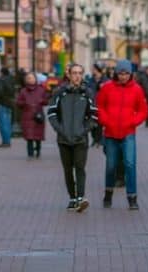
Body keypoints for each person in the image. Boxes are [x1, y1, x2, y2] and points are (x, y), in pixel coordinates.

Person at [97, 59, 148, 210]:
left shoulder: (137, 89)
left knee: (130, 164)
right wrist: (106, 121)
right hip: (111, 133)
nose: (123, 76)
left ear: (131, 74)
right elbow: (100, 106)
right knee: (111, 166)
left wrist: (133, 121)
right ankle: (108, 193)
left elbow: (143, 110)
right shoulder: (107, 88)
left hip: (128, 133)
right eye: (121, 73)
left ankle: (132, 197)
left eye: (126, 73)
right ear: (116, 73)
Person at [48, 63, 99, 212]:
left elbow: (94, 115)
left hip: (80, 138)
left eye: (79, 73)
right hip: (63, 139)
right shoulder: (60, 92)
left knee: (80, 167)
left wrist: (84, 130)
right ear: (69, 75)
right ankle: (72, 197)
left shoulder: (88, 93)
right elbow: (51, 113)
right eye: (74, 73)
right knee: (68, 169)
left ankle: (80, 198)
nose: (77, 76)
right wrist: (60, 129)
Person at [16, 71, 49, 159]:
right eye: (28, 78)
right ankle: (30, 153)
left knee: (38, 135)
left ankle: (38, 150)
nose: (30, 80)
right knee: (29, 136)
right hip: (27, 116)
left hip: (38, 116)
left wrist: (42, 101)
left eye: (32, 78)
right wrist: (24, 103)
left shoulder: (41, 90)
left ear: (35, 79)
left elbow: (46, 101)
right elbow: (18, 102)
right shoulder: (23, 91)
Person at [0, 67, 17, 148]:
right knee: (8, 123)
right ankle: (7, 140)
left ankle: (5, 142)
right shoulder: (12, 80)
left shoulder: (0, 80)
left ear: (1, 72)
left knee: (3, 123)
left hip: (1, 103)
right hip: (10, 103)